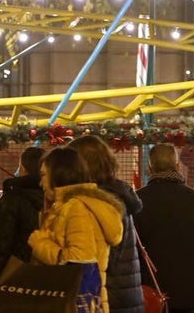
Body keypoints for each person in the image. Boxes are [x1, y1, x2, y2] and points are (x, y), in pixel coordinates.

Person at [28, 146, 125, 310]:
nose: (40, 182)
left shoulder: (76, 208)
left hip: (72, 304)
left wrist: (40, 243)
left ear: (59, 174)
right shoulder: (70, 205)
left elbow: (80, 260)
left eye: (44, 175)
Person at [134, 143, 194, 313]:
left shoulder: (137, 201)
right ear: (177, 166)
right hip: (188, 291)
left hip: (149, 292)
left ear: (150, 168)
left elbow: (132, 248)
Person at [69, 134, 145, 313]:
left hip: (106, 298)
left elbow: (96, 258)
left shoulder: (96, 202)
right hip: (127, 296)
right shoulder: (119, 196)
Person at [0, 146, 46, 300]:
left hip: (15, 275)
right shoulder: (56, 197)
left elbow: (1, 244)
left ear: (22, 168)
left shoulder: (13, 198)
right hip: (48, 275)